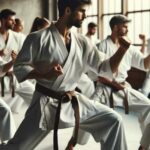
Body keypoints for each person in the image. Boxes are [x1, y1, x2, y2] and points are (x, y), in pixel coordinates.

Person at [0, 1, 131, 150]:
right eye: (82, 11)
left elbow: (104, 68)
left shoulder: (83, 42)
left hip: (71, 100)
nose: (85, 15)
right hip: (45, 104)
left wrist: (122, 50)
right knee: (16, 147)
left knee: (113, 120)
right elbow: (19, 67)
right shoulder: (38, 38)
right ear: (68, 10)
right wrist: (44, 74)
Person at [91, 14, 150, 143]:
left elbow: (144, 65)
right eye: (125, 26)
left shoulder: (129, 47)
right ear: (116, 27)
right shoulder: (102, 46)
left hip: (123, 88)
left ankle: (144, 145)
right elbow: (100, 75)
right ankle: (73, 141)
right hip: (104, 89)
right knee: (95, 118)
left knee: (148, 106)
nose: (127, 30)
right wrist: (116, 85)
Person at [0, 9, 35, 113]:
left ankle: (38, 120)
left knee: (35, 95)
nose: (14, 23)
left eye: (14, 20)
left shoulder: (18, 37)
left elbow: (29, 48)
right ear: (2, 20)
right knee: (4, 110)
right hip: (1, 77)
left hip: (15, 76)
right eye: (11, 20)